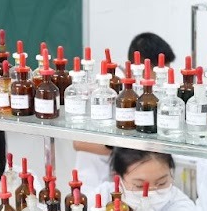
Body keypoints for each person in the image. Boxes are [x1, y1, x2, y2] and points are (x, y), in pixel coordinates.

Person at [73, 34, 177, 186]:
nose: (165, 78)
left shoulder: (147, 92)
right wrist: (132, 148)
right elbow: (79, 143)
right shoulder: (110, 86)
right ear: (143, 65)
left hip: (125, 181)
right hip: (96, 179)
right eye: (161, 72)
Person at [92, 149, 201, 211]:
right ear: (118, 178)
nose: (150, 193)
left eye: (161, 183)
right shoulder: (103, 195)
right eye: (139, 185)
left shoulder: (182, 209)